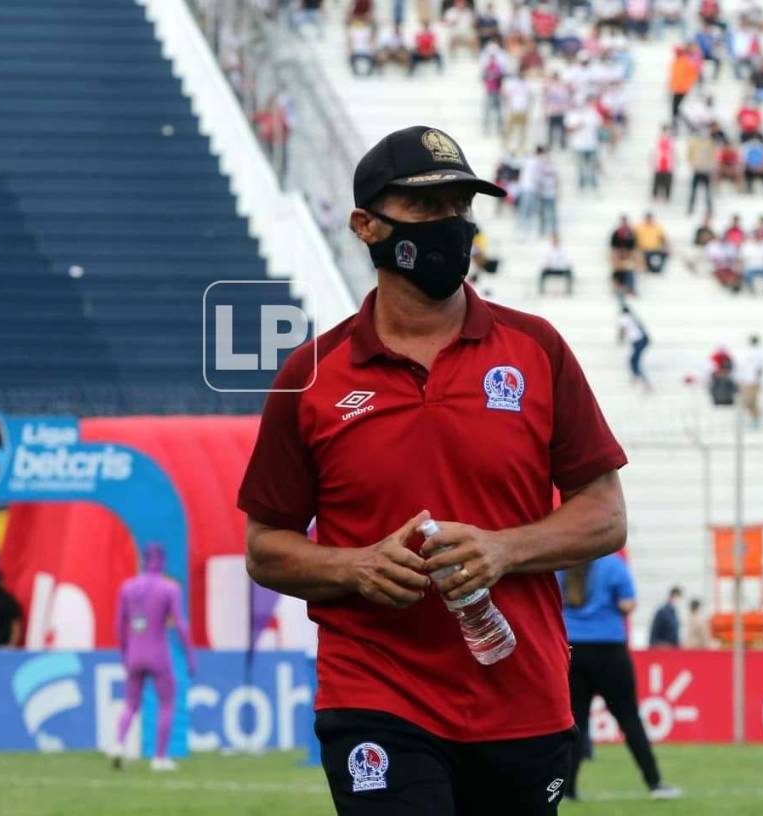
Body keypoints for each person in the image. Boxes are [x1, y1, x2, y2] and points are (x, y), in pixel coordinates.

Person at [239, 125, 628, 815]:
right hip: (376, 694)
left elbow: (605, 514)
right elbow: (265, 547)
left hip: (522, 697)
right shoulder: (312, 374)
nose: (451, 224)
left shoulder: (537, 348)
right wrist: (356, 567)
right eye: (426, 206)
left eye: (460, 206)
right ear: (365, 225)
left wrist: (503, 549)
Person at [560, 557, 680, 801]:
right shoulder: (613, 565)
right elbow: (627, 604)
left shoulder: (561, 564)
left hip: (572, 649)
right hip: (609, 649)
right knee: (629, 718)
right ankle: (654, 782)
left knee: (576, 722)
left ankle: (567, 789)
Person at [111, 544, 196, 772]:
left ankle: (118, 744)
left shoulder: (127, 587)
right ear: (162, 561)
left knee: (131, 704)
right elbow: (180, 624)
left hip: (134, 652)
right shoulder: (169, 588)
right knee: (166, 704)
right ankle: (159, 758)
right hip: (158, 653)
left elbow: (119, 625)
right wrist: (190, 655)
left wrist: (124, 654)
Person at [618, 305, 651, 392]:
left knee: (634, 361)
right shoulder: (632, 317)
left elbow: (622, 329)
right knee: (634, 361)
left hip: (639, 342)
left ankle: (641, 380)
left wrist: (620, 339)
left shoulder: (625, 317)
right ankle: (638, 378)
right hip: (641, 341)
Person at [736, 335, 763, 427]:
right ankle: (753, 419)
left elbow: (759, 368)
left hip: (752, 381)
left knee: (751, 402)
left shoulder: (757, 353)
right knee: (748, 402)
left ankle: (755, 420)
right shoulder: (750, 352)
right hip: (748, 381)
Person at [610, 215, 638, 296]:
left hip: (628, 255)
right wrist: (619, 252)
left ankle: (629, 288)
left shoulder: (631, 233)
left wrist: (627, 253)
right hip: (618, 255)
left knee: (629, 271)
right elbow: (613, 245)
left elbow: (634, 245)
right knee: (618, 272)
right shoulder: (616, 232)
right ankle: (619, 288)